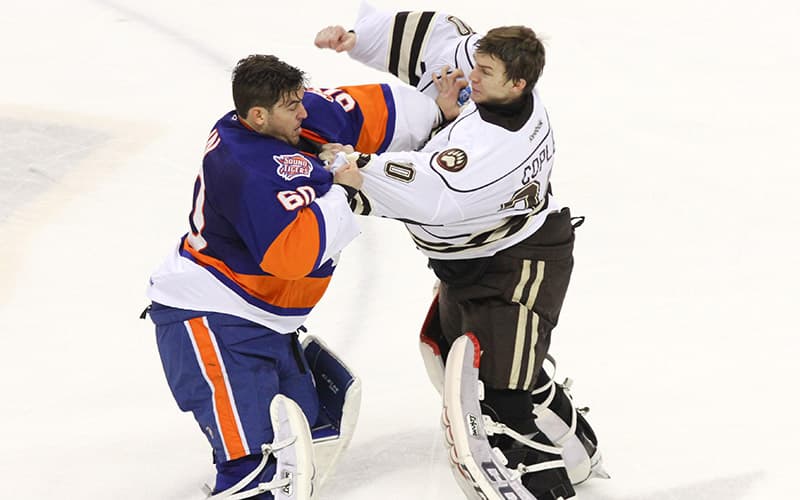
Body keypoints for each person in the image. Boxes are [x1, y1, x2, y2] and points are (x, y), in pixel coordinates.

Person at [314, 6, 608, 499]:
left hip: (521, 263)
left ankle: (538, 478)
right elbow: (441, 39)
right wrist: (356, 37)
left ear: (516, 84)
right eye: (478, 62)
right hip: (473, 261)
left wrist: (355, 166)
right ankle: (577, 445)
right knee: (456, 350)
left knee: (504, 389)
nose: (472, 73)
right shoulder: (493, 84)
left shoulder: (496, 149)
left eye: (485, 71)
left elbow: (430, 191)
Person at [144, 54, 365, 499]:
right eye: (292, 106)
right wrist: (343, 191)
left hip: (263, 320)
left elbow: (351, 114)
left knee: (308, 432)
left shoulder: (257, 125)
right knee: (253, 467)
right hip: (212, 318)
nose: (303, 113)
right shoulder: (245, 167)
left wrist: (436, 110)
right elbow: (292, 254)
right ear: (259, 114)